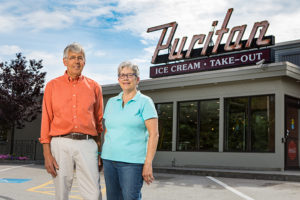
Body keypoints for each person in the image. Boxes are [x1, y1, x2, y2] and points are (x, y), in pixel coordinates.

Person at [39, 43, 103, 200]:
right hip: (60, 143)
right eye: (72, 58)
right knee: (61, 192)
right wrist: (47, 154)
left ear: (84, 62)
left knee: (94, 192)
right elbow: (46, 120)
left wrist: (99, 151)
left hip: (87, 143)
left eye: (80, 58)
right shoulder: (52, 86)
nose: (76, 61)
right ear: (64, 61)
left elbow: (99, 121)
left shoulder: (94, 87)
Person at [101, 61, 159, 200]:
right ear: (118, 79)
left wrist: (148, 163)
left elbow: (154, 134)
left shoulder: (145, 102)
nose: (125, 78)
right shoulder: (111, 102)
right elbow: (107, 131)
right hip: (109, 160)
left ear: (137, 79)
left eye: (129, 75)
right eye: (122, 75)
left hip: (132, 163)